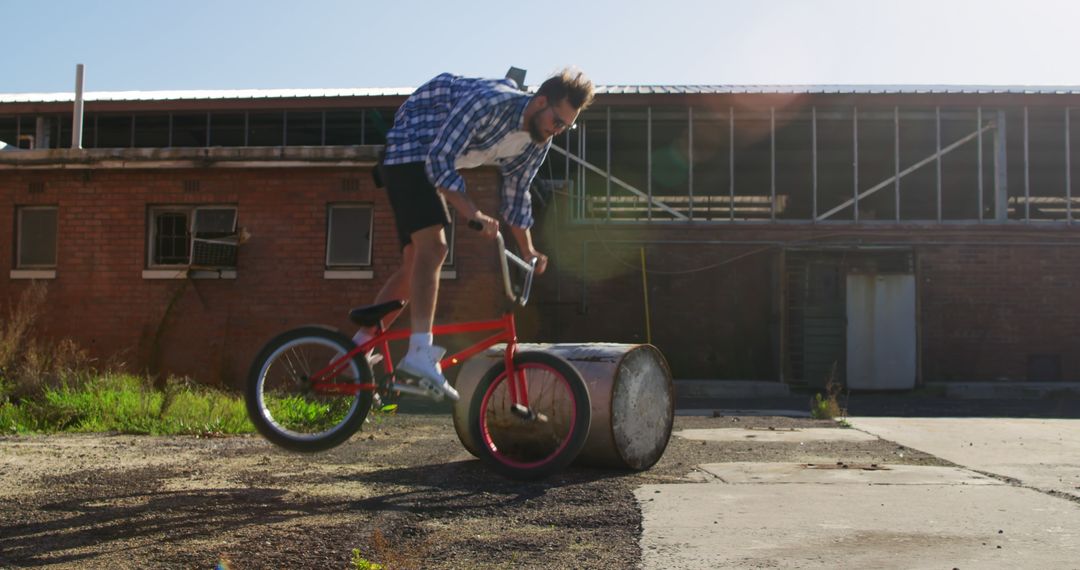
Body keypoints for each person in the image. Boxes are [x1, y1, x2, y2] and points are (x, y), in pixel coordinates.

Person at [356, 68, 594, 402]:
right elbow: (439, 161)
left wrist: (528, 250)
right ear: (540, 101)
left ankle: (355, 352)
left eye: (565, 128)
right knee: (434, 249)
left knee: (415, 263)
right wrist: (473, 213)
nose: (558, 131)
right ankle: (419, 354)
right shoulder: (489, 103)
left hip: (431, 158)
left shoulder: (536, 142)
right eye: (557, 122)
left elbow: (516, 192)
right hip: (412, 144)